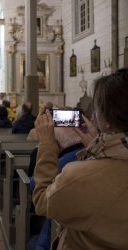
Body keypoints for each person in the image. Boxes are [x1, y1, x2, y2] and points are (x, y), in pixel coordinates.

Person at [32, 68, 128, 249]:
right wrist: (96, 147)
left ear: (106, 120)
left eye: (97, 108)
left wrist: (47, 144)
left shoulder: (79, 175)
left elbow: (43, 203)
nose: (92, 116)